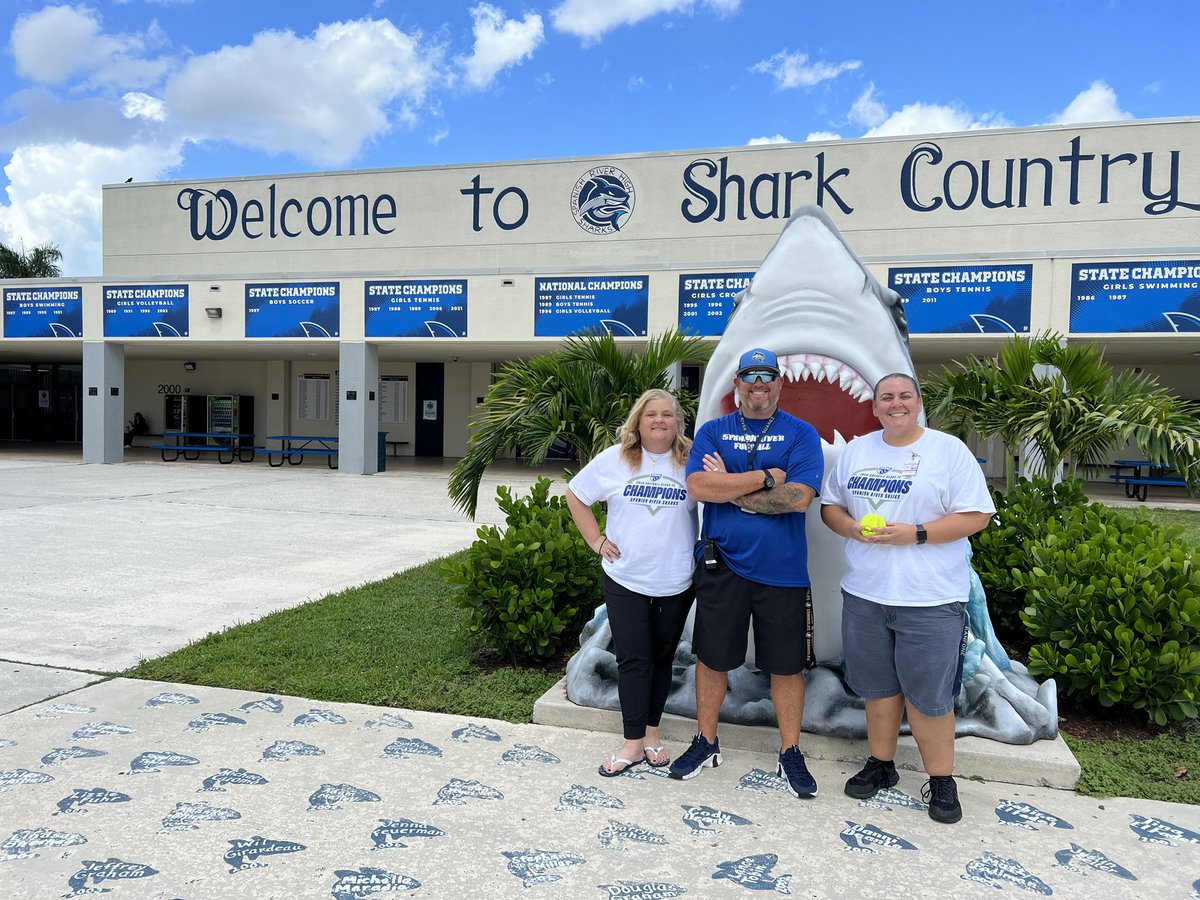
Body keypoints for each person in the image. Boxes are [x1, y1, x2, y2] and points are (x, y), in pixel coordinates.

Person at [820, 373, 994, 824]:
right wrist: (851, 527)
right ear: (874, 407)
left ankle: (941, 781)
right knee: (878, 691)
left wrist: (916, 534)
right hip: (866, 593)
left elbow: (977, 516)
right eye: (886, 398)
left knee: (930, 698)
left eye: (904, 396)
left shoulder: (947, 450)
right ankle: (882, 766)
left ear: (918, 402)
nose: (896, 404)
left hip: (931, 598)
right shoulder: (857, 451)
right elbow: (830, 507)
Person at [669, 348, 823, 798]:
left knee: (786, 665)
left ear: (779, 383)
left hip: (783, 571)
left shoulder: (801, 433)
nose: (759, 383)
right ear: (737, 383)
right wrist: (767, 476)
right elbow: (699, 487)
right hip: (722, 564)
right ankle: (706, 741)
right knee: (712, 658)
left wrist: (732, 491)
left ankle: (790, 752)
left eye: (768, 375)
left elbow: (798, 498)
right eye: (750, 376)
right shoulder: (714, 430)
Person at [566, 388, 698, 776]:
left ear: (678, 423)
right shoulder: (617, 459)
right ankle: (632, 743)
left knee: (661, 659)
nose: (659, 420)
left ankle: (652, 734)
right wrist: (596, 540)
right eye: (650, 414)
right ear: (637, 421)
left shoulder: (691, 463)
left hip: (676, 580)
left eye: (667, 414)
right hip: (626, 578)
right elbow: (576, 495)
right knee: (634, 660)